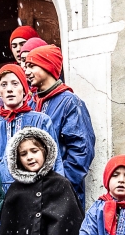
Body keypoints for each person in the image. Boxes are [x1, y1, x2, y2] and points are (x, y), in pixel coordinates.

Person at [25, 45, 96, 204]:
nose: (26, 71)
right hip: (33, 194)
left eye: (31, 65)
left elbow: (81, 151)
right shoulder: (30, 104)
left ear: (47, 66)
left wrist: (59, 184)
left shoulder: (70, 103)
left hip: (61, 195)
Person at [0, 65, 57, 193]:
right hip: (0, 193)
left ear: (24, 89)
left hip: (36, 190)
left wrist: (55, 192)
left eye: (15, 83)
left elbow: (54, 159)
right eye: (3, 85)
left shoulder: (41, 120)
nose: (9, 89)